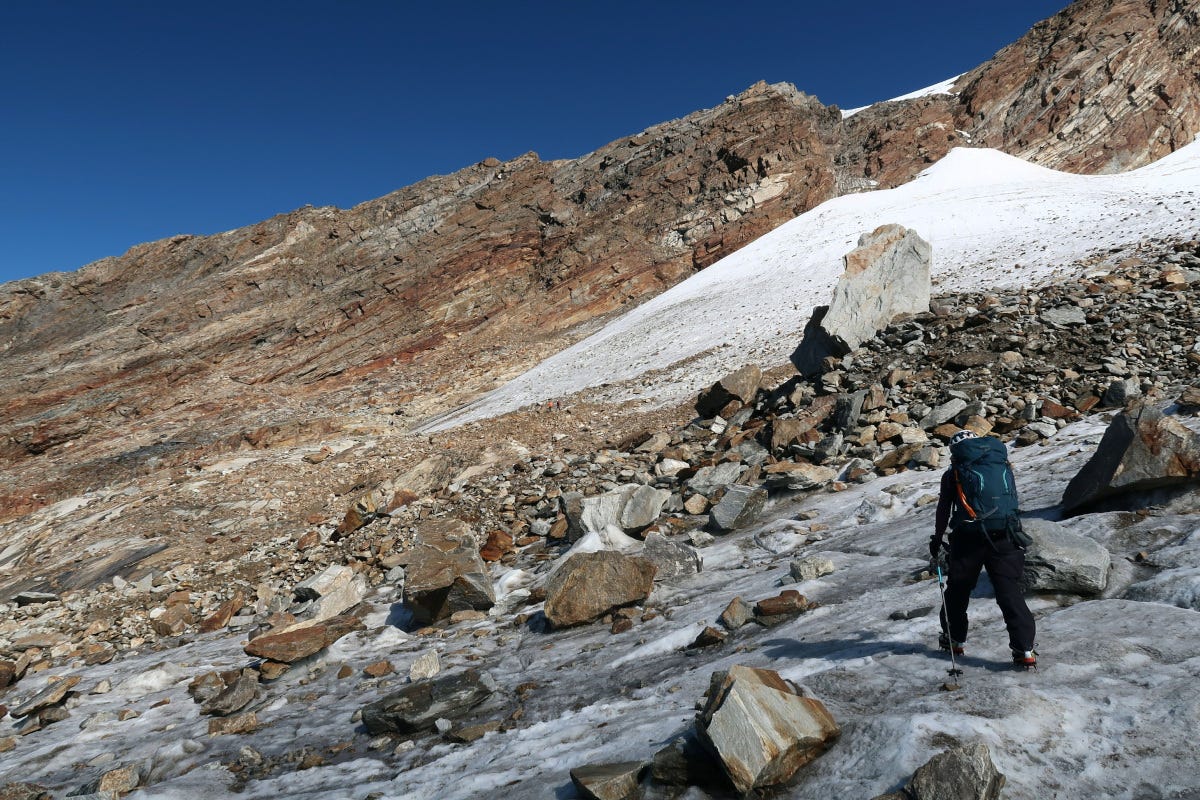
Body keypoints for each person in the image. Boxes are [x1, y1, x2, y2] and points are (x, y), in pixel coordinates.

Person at [929, 429, 1038, 669]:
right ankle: (1025, 649)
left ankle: (954, 640)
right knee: (1009, 592)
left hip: (968, 538)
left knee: (958, 590)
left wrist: (938, 538)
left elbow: (944, 508)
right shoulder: (1001, 464)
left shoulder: (954, 473)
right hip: (1006, 535)